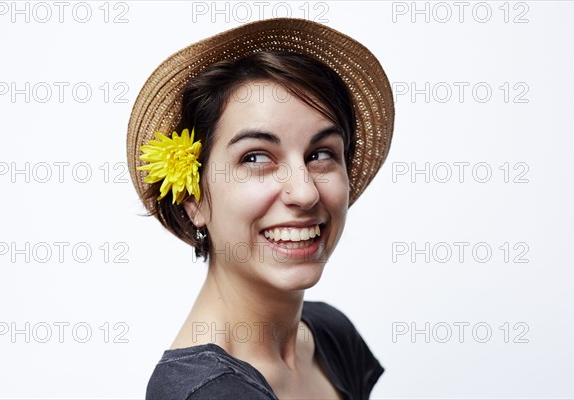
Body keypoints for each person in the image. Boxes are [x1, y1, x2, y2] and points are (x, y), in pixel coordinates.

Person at [127, 18, 394, 399]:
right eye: (255, 158)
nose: (304, 193)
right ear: (193, 198)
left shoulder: (331, 335)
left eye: (321, 154)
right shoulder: (204, 393)